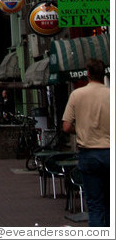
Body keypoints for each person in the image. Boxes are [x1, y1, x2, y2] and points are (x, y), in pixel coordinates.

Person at [62, 58, 110, 227]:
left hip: (89, 154)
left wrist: (80, 128)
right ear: (103, 74)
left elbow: (66, 126)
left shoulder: (77, 94)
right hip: (110, 152)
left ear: (88, 74)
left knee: (95, 206)